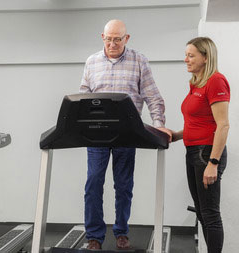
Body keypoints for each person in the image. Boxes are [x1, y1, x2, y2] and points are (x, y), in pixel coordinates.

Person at [79, 19, 171, 250]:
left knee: (123, 185)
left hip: (127, 133)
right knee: (93, 184)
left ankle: (121, 231)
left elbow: (153, 96)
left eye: (117, 39)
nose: (112, 43)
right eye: (108, 39)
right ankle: (94, 236)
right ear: (102, 37)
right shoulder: (91, 62)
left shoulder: (139, 61)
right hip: (97, 134)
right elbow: (83, 97)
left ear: (126, 38)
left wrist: (158, 124)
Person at [170, 37, 230, 253]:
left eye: (191, 55)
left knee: (211, 214)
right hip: (193, 151)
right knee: (202, 213)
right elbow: (198, 123)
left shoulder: (216, 81)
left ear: (206, 57)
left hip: (207, 153)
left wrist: (213, 162)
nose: (186, 59)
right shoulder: (196, 83)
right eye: (186, 54)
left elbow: (222, 125)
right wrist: (175, 135)